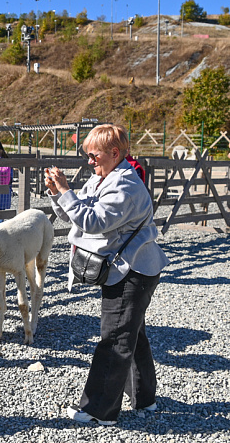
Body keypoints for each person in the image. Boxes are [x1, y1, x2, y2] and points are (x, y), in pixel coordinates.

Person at [45, 124, 169, 426]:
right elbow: (77, 212)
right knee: (132, 335)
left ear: (115, 153)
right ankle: (145, 400)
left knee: (114, 339)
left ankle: (100, 410)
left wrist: (65, 191)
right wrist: (57, 194)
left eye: (93, 155)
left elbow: (94, 221)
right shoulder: (105, 177)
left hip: (132, 271)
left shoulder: (125, 185)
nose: (89, 161)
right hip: (129, 268)